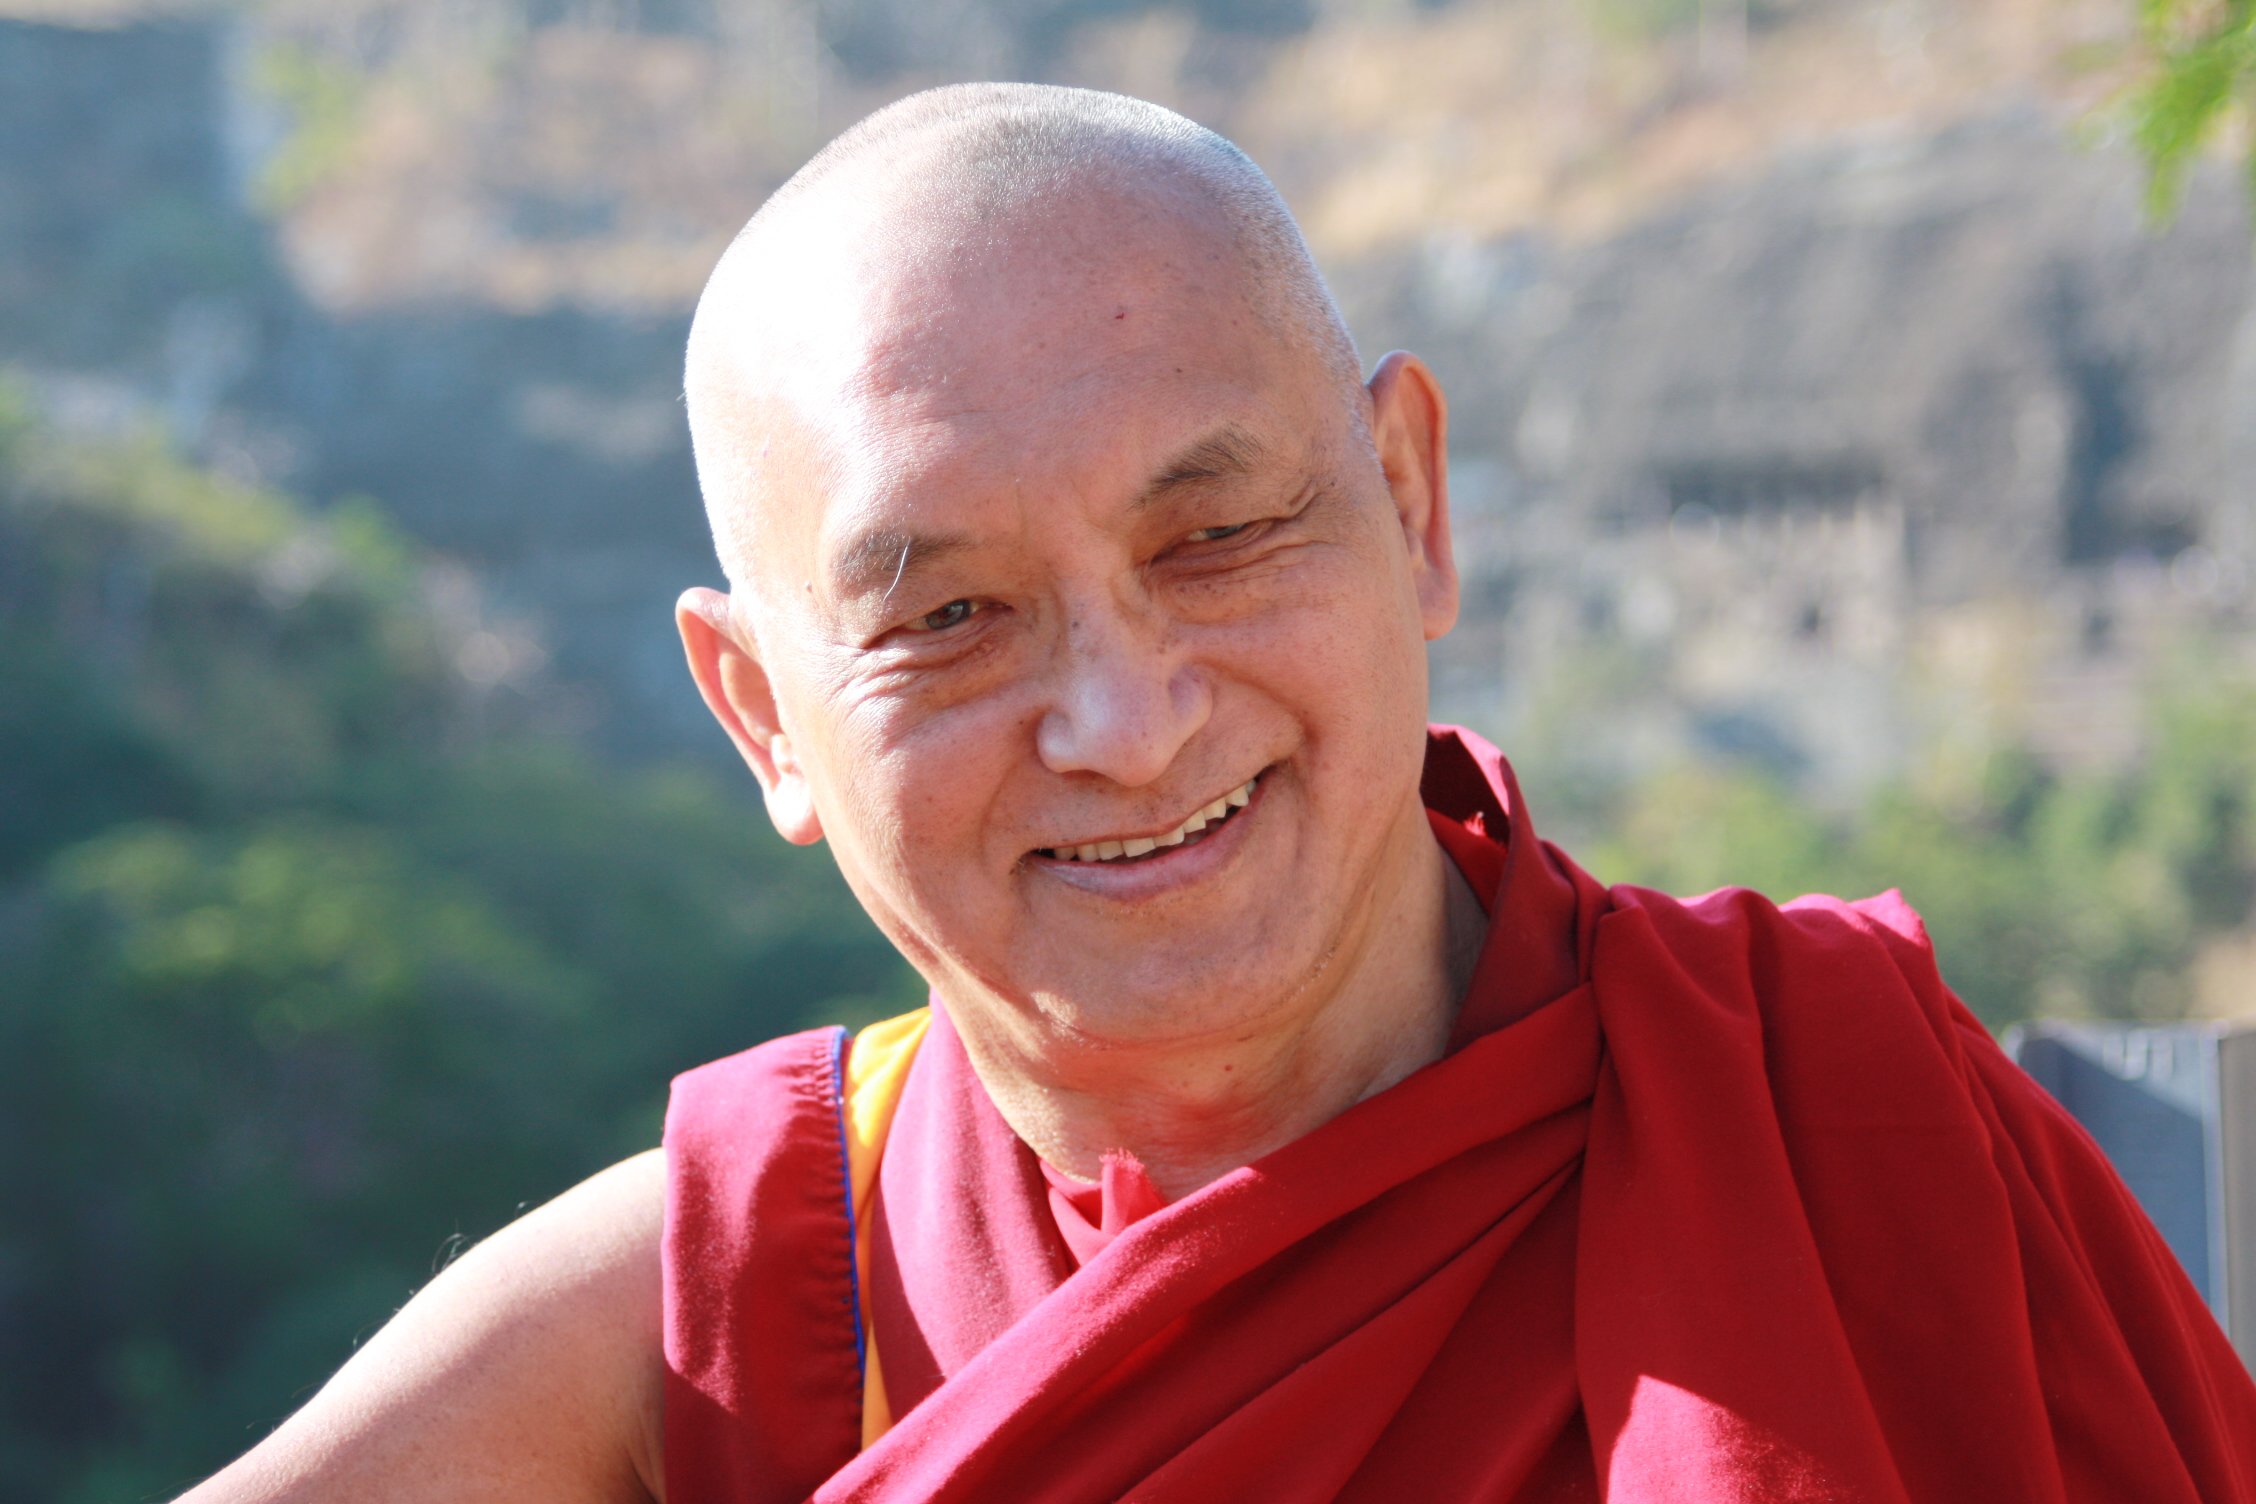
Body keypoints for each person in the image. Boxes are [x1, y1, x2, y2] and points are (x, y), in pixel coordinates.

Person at [181, 84, 2256, 1504]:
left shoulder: (1836, 1121)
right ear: (763, 718)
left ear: (1412, 501)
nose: (1128, 714)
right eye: (955, 615)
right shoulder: (723, 1309)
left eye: (1220, 536)